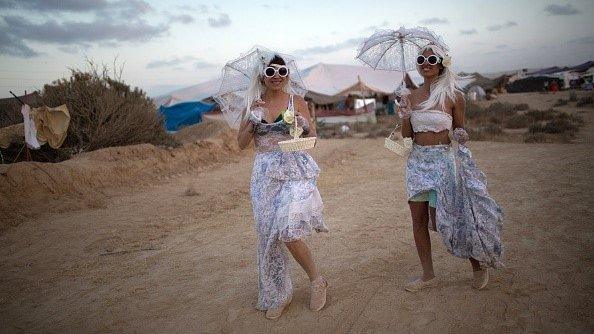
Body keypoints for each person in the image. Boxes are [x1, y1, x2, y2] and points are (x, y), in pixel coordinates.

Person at [399, 42, 503, 292]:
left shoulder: (454, 96)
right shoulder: (409, 97)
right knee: (418, 220)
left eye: (431, 60)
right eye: (421, 60)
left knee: (452, 216)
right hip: (417, 163)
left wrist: (461, 135)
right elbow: (407, 138)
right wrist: (404, 116)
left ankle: (477, 265)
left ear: (441, 64)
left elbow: (459, 129)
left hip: (444, 163)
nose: (425, 64)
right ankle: (428, 274)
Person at [237, 54, 328, 319]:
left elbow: (312, 138)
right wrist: (252, 119)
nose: (277, 75)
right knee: (268, 235)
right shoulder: (252, 104)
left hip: (294, 169)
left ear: (287, 74)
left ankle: (317, 280)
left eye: (282, 70)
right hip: (264, 175)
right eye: (271, 70)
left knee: (287, 229)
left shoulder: (297, 101)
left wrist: (304, 124)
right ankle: (278, 294)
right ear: (262, 74)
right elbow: (242, 143)